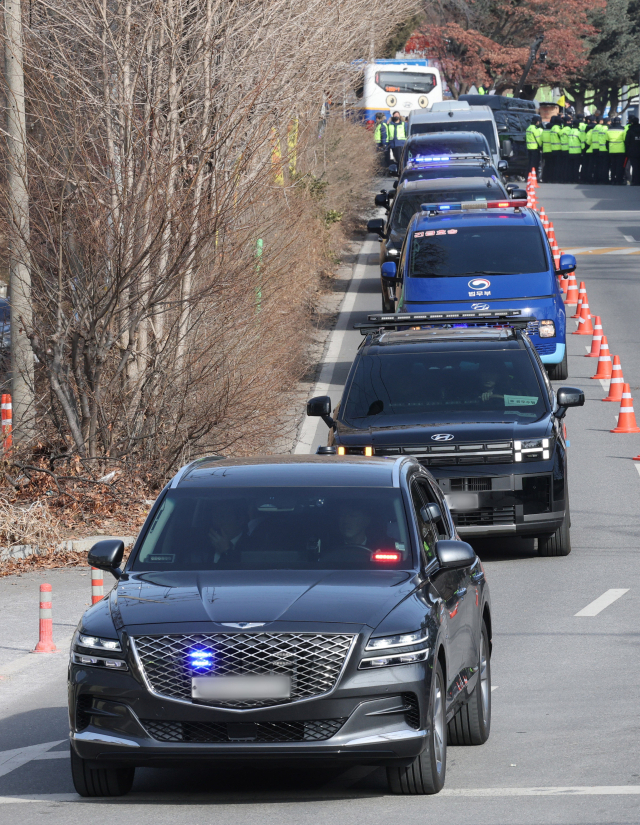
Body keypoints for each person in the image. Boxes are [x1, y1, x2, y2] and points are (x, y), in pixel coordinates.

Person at [606, 117, 626, 184]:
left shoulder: (609, 130)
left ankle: (612, 179)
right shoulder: (623, 129)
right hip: (620, 150)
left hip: (612, 150)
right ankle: (619, 180)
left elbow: (607, 140)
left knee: (613, 165)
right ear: (620, 121)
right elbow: (624, 139)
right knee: (619, 166)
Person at [625, 115, 640, 185]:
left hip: (633, 151)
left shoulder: (630, 130)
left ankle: (634, 181)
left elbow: (627, 141)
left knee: (635, 166)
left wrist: (627, 150)